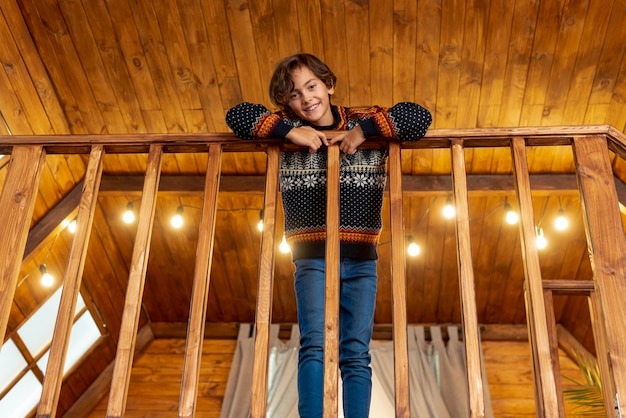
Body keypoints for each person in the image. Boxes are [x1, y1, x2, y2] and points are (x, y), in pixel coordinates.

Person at [226, 53, 432, 418]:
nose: (306, 99)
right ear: (286, 103)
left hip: (361, 257)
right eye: (294, 94)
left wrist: (363, 133)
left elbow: (419, 117)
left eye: (311, 86)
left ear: (329, 85)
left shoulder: (362, 120)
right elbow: (237, 115)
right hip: (310, 256)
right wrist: (291, 133)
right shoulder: (286, 126)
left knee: (355, 351)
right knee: (315, 345)